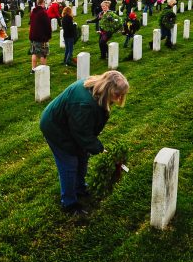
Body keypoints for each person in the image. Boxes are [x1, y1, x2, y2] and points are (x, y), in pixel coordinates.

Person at [40, 71, 130, 214]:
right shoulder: (84, 103)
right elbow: (82, 133)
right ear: (107, 88)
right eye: (117, 94)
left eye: (121, 95)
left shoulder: (96, 90)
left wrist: (91, 147)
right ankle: (69, 203)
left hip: (71, 125)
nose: (119, 98)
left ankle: (80, 188)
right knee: (69, 163)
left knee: (83, 156)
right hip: (56, 128)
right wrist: (99, 149)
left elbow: (83, 130)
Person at [29, 0, 52, 73]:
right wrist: (48, 36)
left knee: (34, 52)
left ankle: (33, 69)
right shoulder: (43, 12)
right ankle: (44, 70)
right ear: (43, 2)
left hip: (33, 36)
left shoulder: (33, 12)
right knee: (43, 53)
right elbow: (47, 25)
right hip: (41, 36)